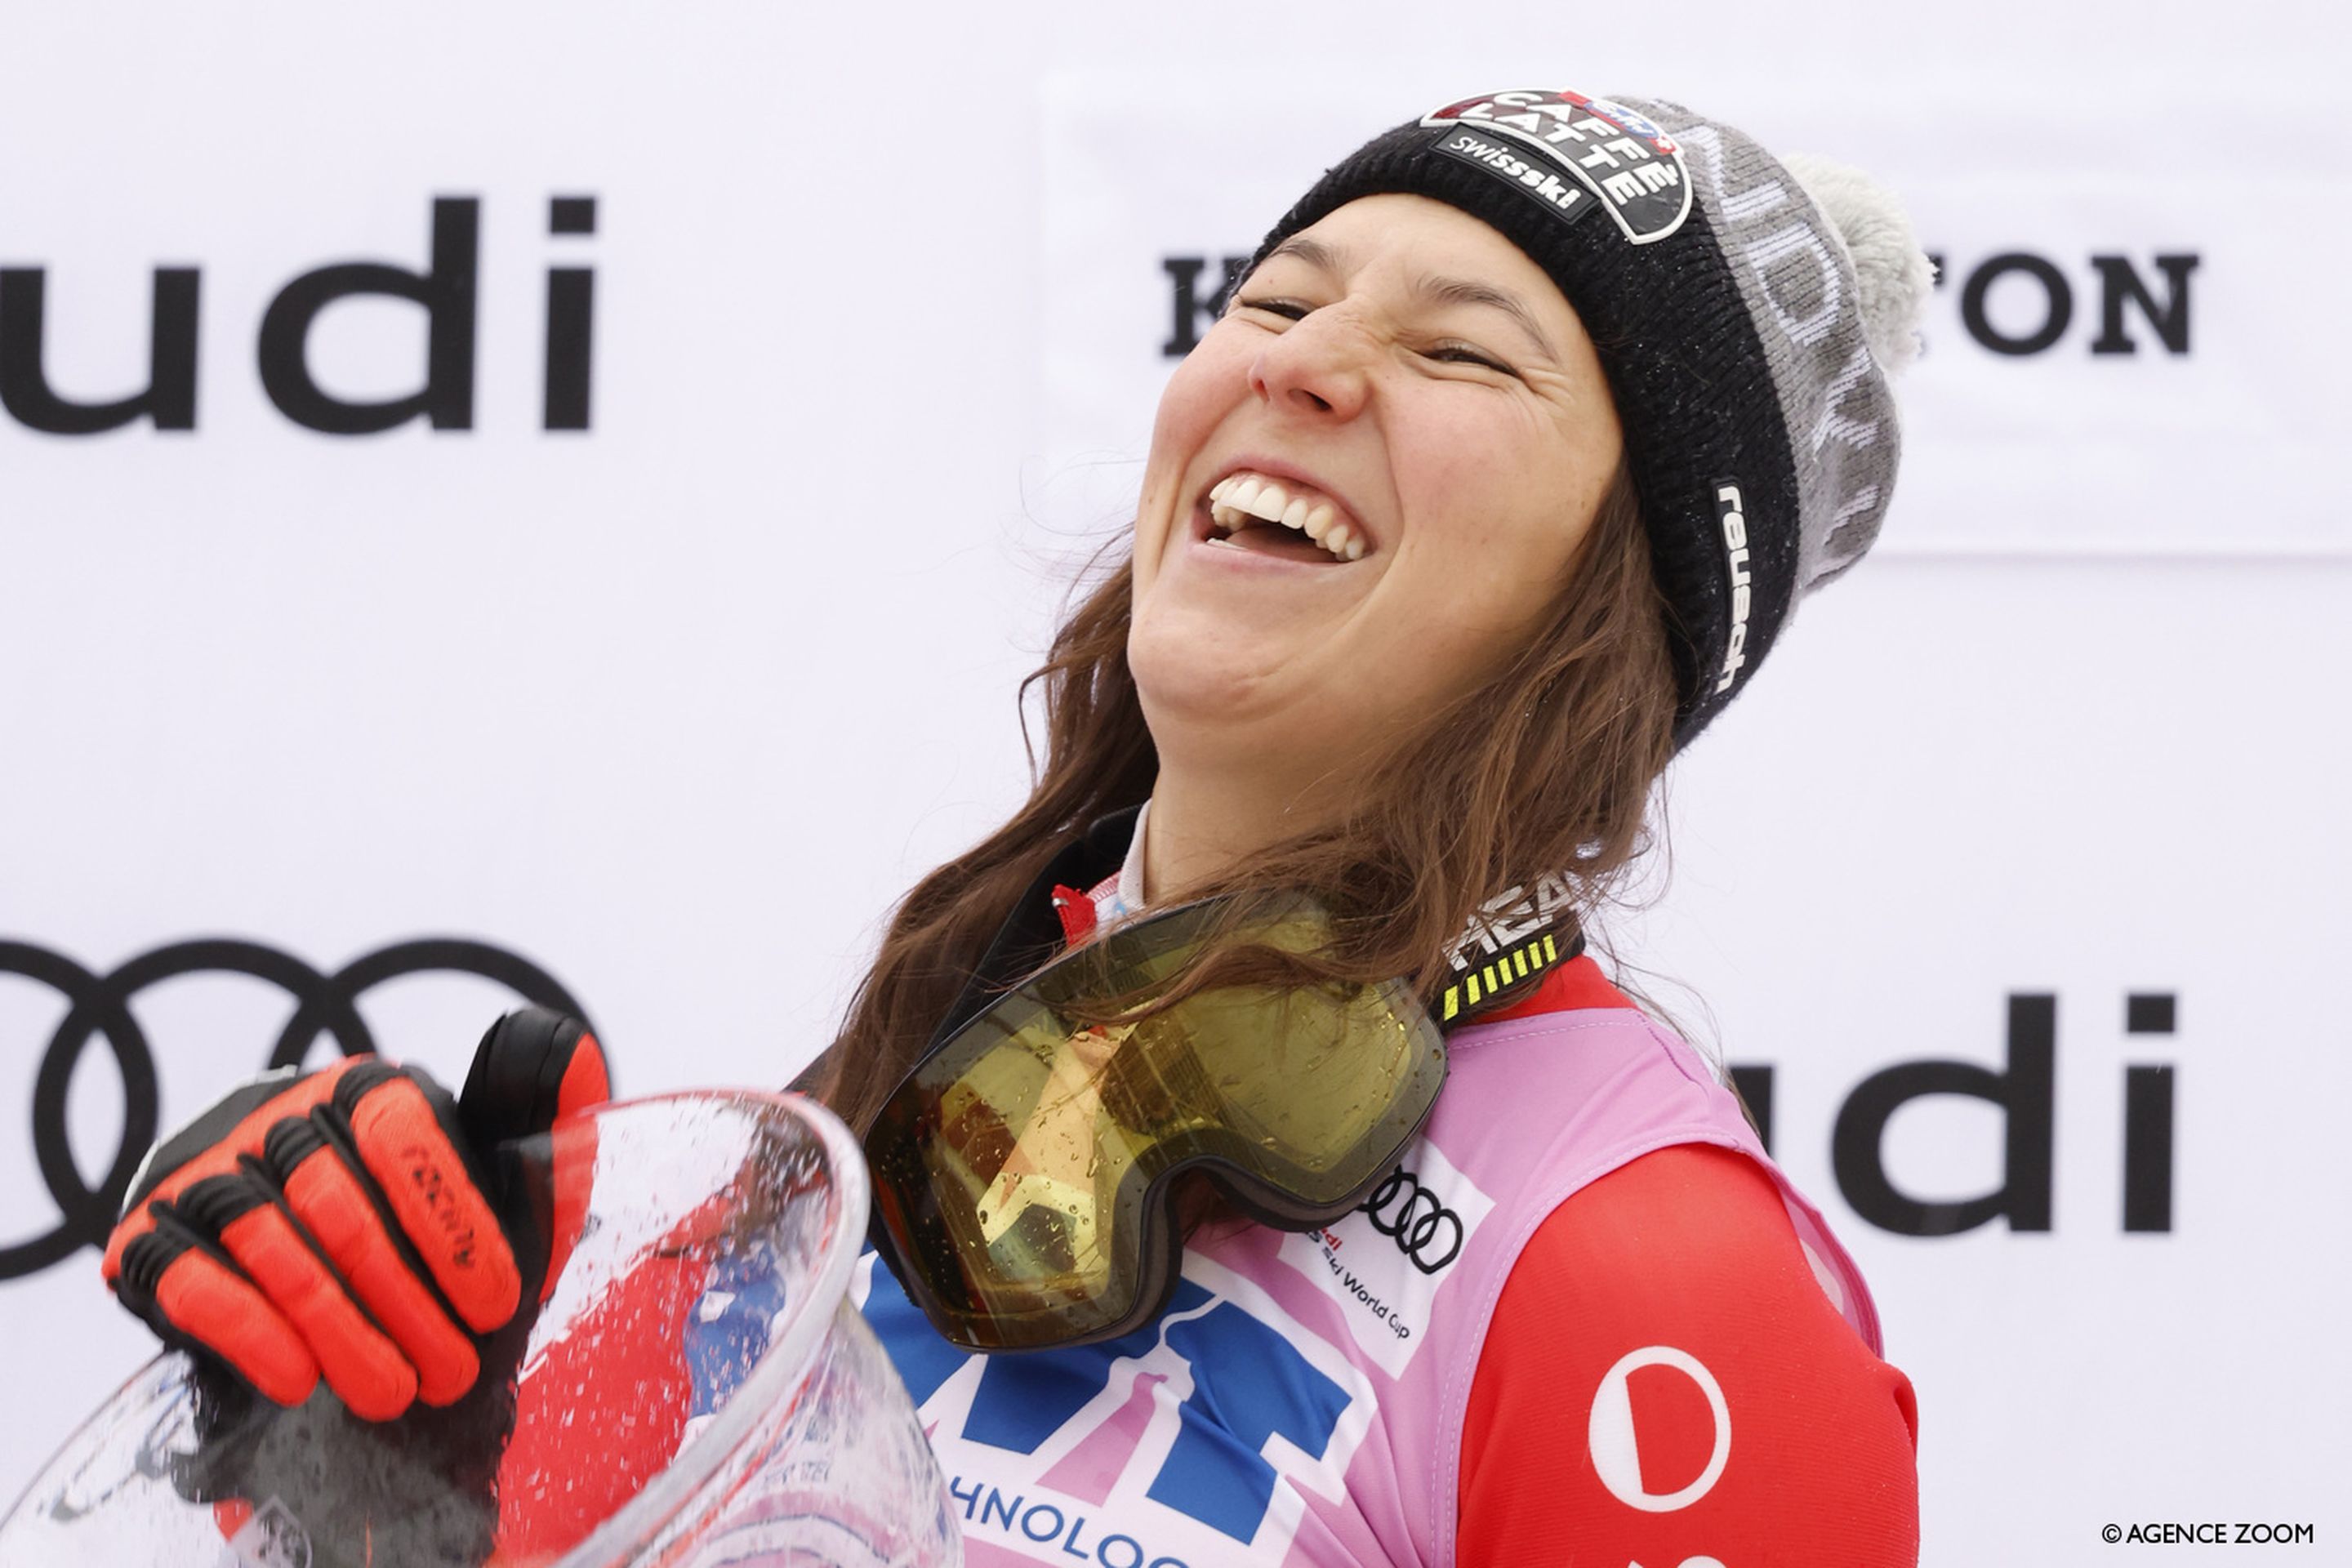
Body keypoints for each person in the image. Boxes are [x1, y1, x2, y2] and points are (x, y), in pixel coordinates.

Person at [103, 86, 1930, 1566]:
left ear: (1613, 607)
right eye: (1275, 302)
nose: (1291, 367)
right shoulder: (948, 1073)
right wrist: (407, 1458)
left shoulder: (1643, 1272)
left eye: (1462, 356)